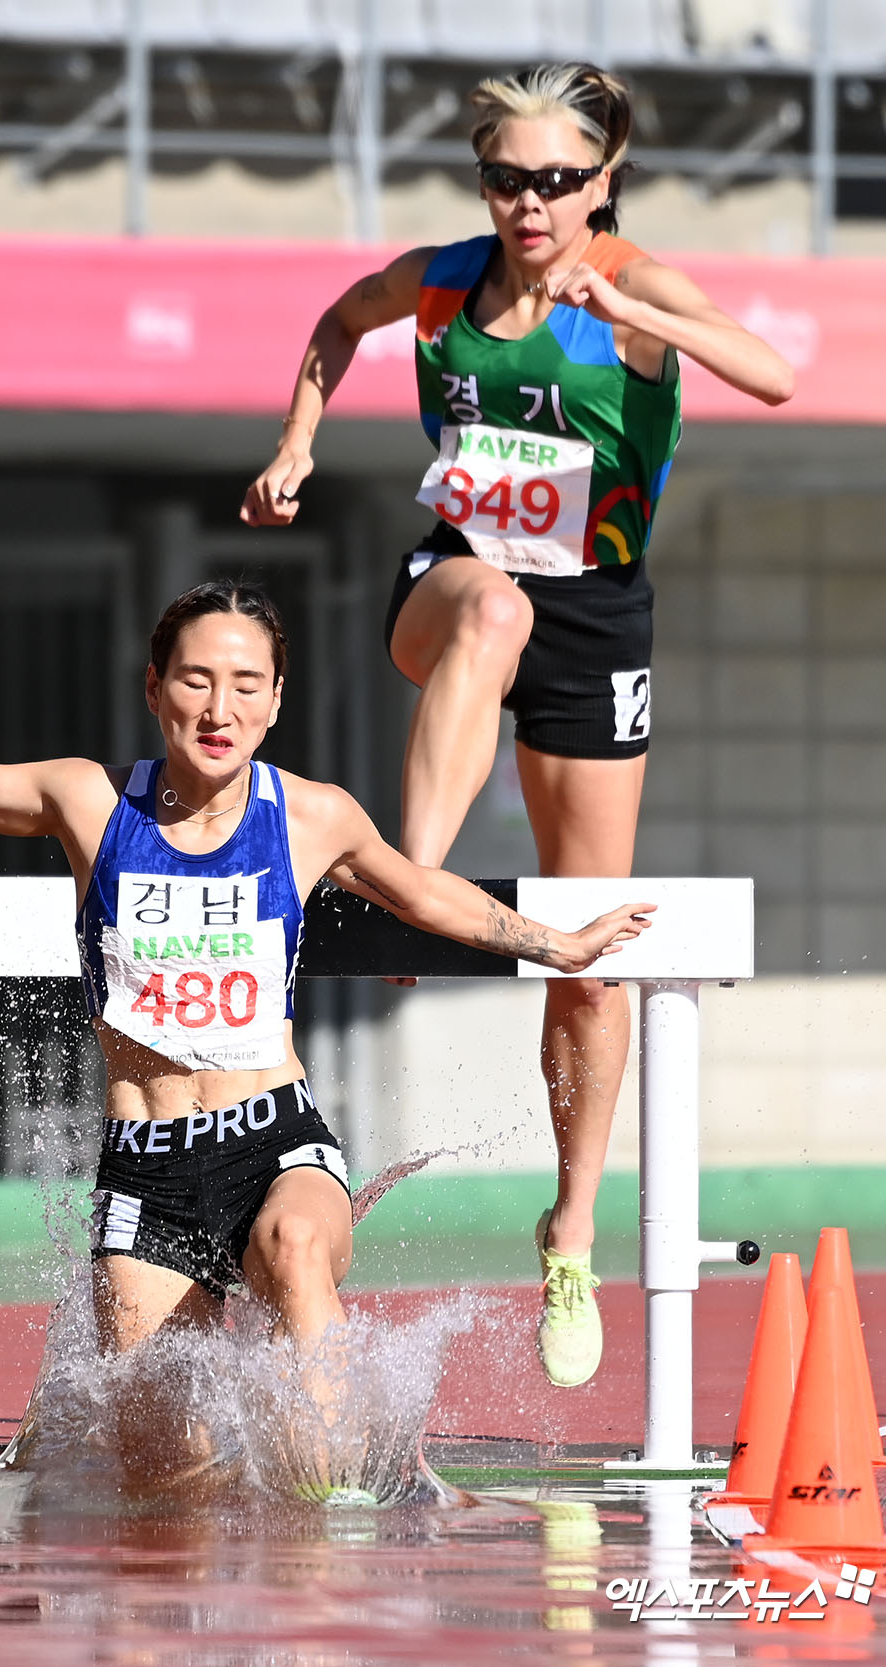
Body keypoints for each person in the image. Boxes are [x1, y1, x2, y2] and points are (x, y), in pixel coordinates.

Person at [240, 60, 794, 1389]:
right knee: (487, 610)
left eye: (559, 180)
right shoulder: (442, 281)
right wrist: (299, 439)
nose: (531, 202)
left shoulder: (636, 285)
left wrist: (628, 303)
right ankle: (415, 876)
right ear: (482, 183)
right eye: (508, 178)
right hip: (457, 584)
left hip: (599, 619)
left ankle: (566, 1225)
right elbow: (337, 319)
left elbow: (770, 374)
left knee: (586, 956)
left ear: (604, 183)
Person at [0, 549, 653, 1490]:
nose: (220, 709)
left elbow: (425, 896)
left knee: (291, 1255)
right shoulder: (89, 801)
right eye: (197, 680)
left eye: (246, 684)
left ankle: (347, 1500)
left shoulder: (310, 815)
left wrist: (556, 945)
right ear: (155, 688)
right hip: (148, 1174)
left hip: (277, 1145)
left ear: (277, 699)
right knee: (170, 1493)